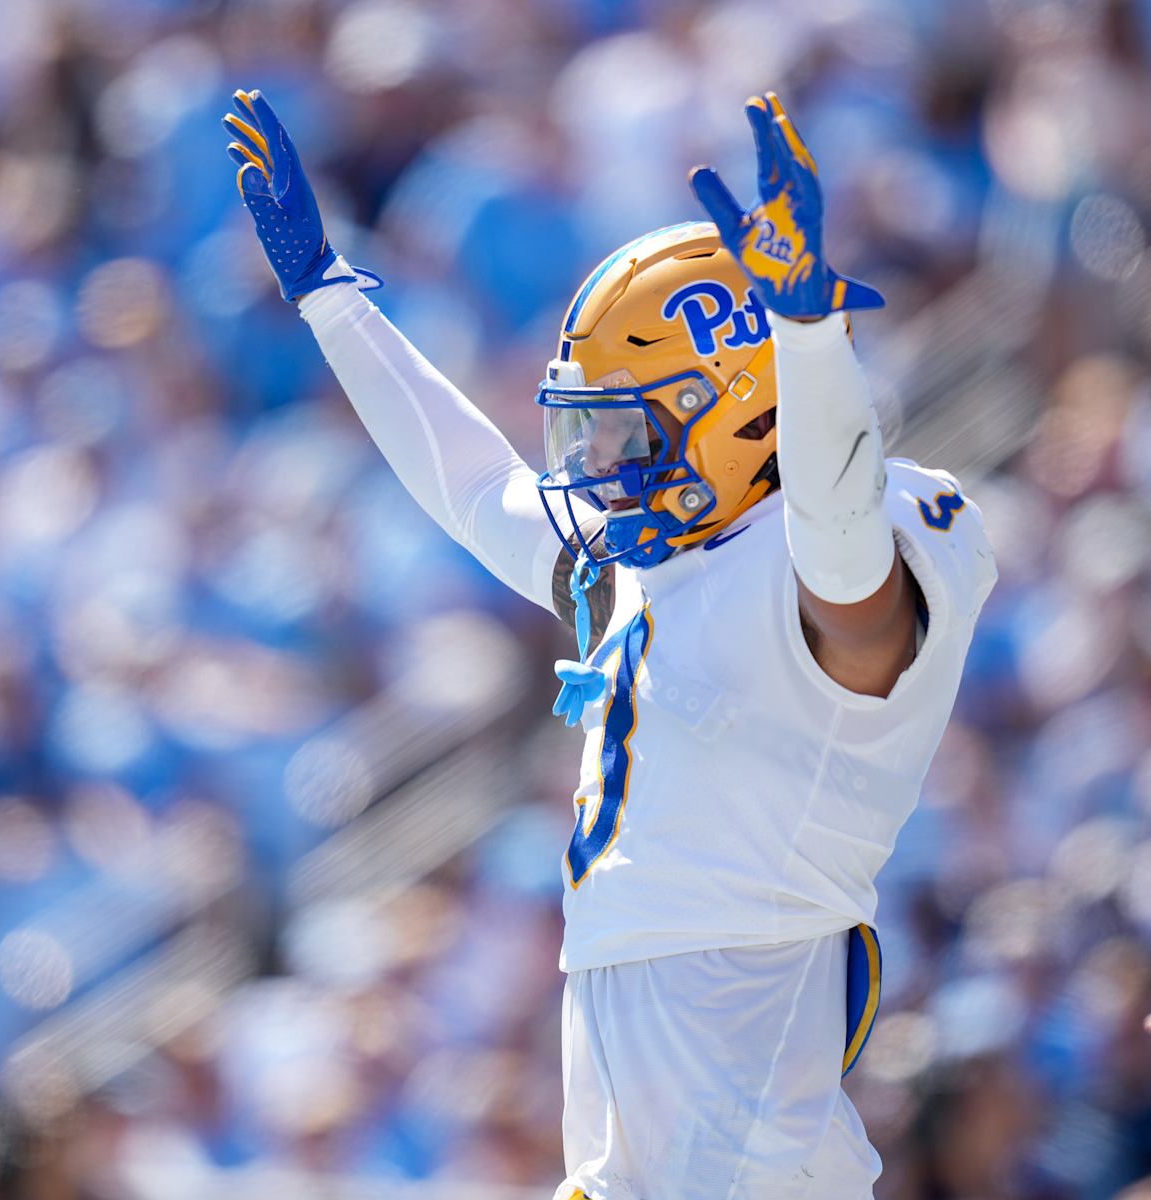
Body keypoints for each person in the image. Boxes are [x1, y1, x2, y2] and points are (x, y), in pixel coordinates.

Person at [223, 87, 997, 1197]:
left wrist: (809, 337)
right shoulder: (664, 567)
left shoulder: (834, 561)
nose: (593, 464)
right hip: (666, 1077)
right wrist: (330, 298)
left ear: (743, 411)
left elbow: (841, 551)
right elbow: (482, 491)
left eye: (624, 429)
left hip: (737, 1106)